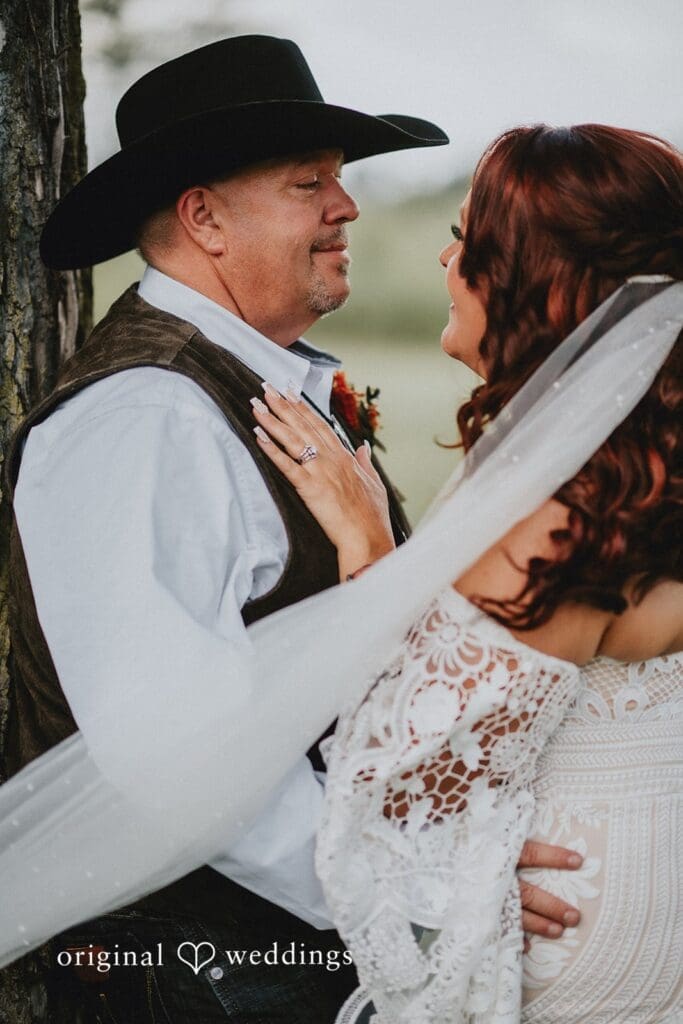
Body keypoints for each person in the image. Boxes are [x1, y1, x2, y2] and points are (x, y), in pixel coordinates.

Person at [0, 35, 581, 1024]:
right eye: (307, 182)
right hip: (193, 971)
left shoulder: (263, 386)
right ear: (203, 218)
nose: (345, 206)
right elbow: (170, 749)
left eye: (339, 181)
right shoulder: (142, 416)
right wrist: (417, 885)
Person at [249, 124, 683, 1021]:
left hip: (569, 928)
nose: (447, 259)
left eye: (468, 239)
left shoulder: (559, 513)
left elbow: (404, 781)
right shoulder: (646, 472)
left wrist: (369, 552)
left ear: (536, 280)